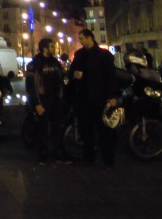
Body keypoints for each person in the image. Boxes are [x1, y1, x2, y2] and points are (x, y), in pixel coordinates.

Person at [69, 28, 119, 168]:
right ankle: (89, 157)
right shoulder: (79, 54)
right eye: (80, 39)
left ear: (90, 38)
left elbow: (110, 77)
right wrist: (75, 75)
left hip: (100, 97)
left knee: (104, 130)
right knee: (87, 130)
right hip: (84, 98)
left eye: (82, 39)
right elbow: (72, 71)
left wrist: (111, 96)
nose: (81, 42)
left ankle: (108, 159)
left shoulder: (104, 55)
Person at [25, 38, 67, 165]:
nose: (54, 48)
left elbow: (61, 81)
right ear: (44, 48)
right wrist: (37, 104)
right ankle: (43, 156)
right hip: (43, 100)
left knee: (57, 128)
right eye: (51, 46)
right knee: (43, 129)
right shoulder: (35, 64)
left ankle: (57, 154)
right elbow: (30, 86)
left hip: (56, 100)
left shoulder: (55, 63)